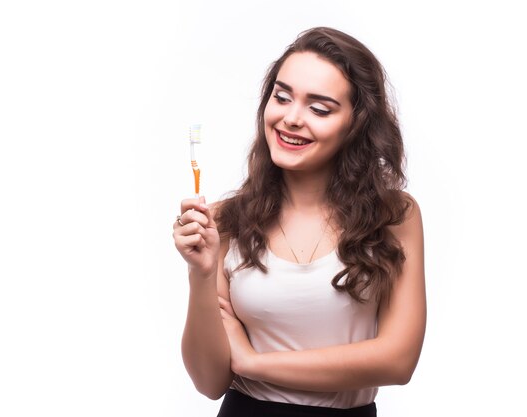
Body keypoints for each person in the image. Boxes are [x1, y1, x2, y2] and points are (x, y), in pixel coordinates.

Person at [172, 26, 426, 417]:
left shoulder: (394, 217)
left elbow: (397, 361)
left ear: (356, 124)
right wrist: (201, 275)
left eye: (319, 108)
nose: (291, 118)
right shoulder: (225, 221)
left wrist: (253, 363)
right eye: (282, 96)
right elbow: (209, 382)